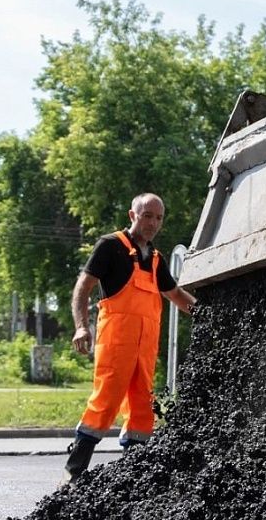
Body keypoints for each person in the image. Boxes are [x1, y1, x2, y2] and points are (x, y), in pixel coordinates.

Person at [62, 193, 197, 482]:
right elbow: (82, 288)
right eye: (147, 215)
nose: (153, 223)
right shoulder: (111, 246)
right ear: (132, 215)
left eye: (158, 218)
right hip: (116, 344)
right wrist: (81, 326)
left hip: (144, 350)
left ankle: (133, 477)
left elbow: (174, 295)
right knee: (105, 402)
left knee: (141, 409)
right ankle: (74, 474)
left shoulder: (157, 260)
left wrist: (206, 315)